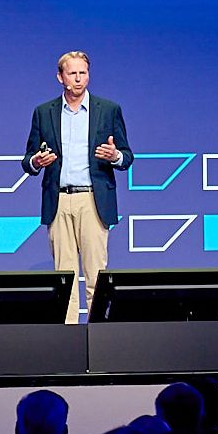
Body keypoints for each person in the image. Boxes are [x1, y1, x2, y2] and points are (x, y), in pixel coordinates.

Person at [21, 50, 133, 323]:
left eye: (83, 72)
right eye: (72, 73)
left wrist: (114, 156)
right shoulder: (43, 112)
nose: (79, 78)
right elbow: (27, 161)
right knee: (65, 279)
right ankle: (68, 341)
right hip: (59, 201)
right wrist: (37, 160)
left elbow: (127, 156)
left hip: (92, 200)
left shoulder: (108, 110)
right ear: (60, 77)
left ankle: (97, 339)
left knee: (96, 276)